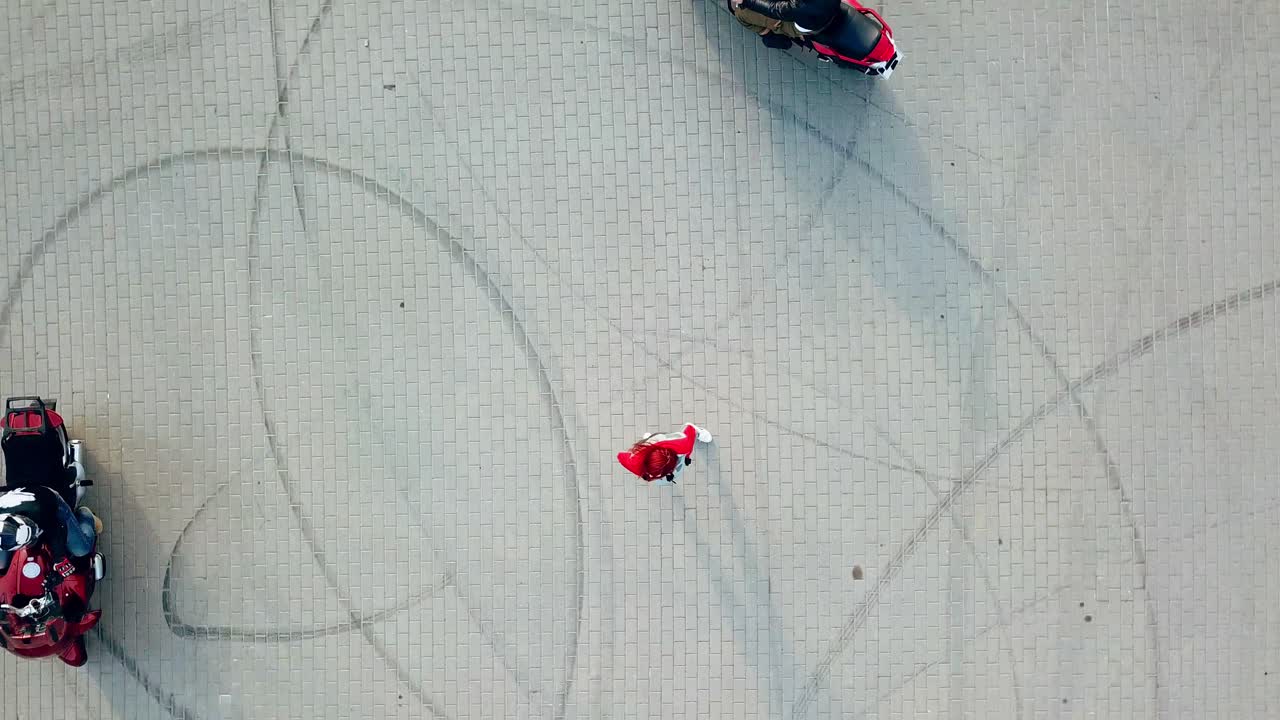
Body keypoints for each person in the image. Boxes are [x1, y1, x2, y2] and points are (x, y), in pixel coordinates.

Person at [0, 485, 98, 571]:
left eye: (31, 527)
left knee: (81, 549)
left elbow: (56, 531)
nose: (35, 531)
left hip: (49, 501)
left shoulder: (39, 512)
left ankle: (85, 516)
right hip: (20, 498)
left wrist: (59, 559)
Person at [618, 424, 714, 485]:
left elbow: (690, 429)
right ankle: (649, 438)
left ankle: (699, 433)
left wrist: (687, 456)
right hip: (653, 442)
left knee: (683, 434)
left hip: (667, 441)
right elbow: (621, 457)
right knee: (653, 438)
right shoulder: (635, 461)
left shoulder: (683, 445)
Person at [731, 0, 842, 40]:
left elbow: (774, 9)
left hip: (802, 23)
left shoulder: (800, 6)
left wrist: (745, 1)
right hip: (827, 10)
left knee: (741, 14)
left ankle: (769, 35)